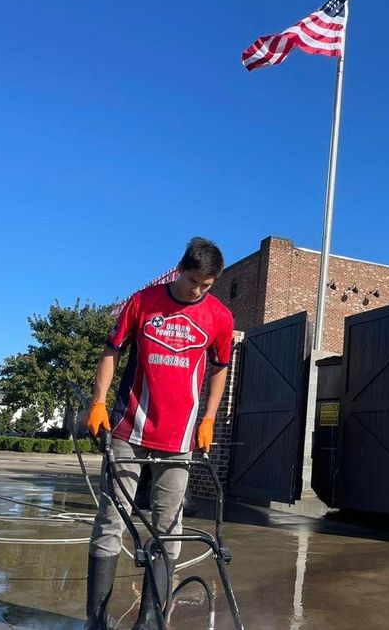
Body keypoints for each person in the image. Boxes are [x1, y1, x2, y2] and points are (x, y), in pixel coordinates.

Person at [84, 237, 233, 630]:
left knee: (169, 528)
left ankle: (150, 620)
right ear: (180, 268)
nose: (198, 290)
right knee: (111, 522)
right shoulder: (143, 302)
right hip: (128, 430)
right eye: (193, 281)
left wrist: (209, 418)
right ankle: (96, 620)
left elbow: (220, 367)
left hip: (180, 437)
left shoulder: (219, 316)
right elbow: (111, 350)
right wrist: (98, 402)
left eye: (207, 285)